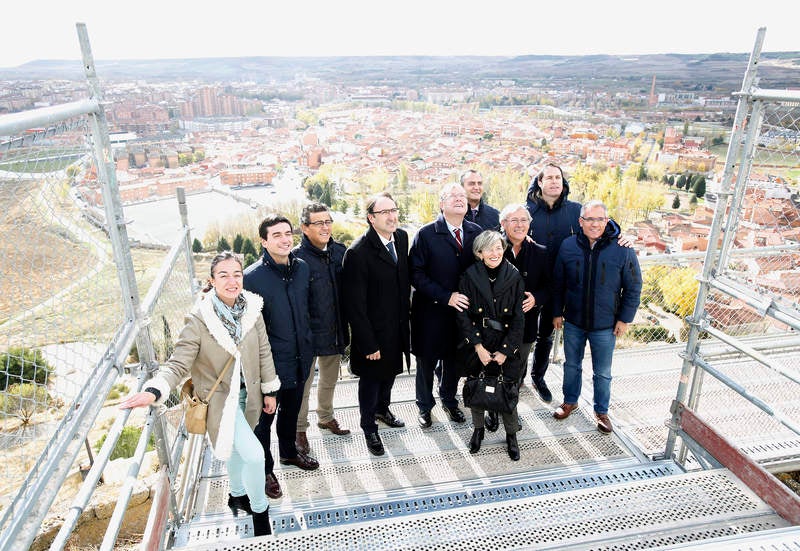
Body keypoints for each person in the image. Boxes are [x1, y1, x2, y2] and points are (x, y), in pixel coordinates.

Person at [120, 252, 279, 537]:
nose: (232, 281)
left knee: (236, 448)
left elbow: (264, 351)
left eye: (237, 274)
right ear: (211, 280)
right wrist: (155, 389)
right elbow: (178, 363)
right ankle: (260, 512)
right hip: (221, 401)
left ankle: (236, 493)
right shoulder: (198, 319)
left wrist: (270, 389)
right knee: (255, 456)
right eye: (224, 275)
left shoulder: (253, 308)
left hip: (251, 395)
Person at [244, 214, 318, 503]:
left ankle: (289, 453)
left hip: (301, 357)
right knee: (264, 423)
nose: (285, 239)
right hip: (270, 365)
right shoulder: (251, 278)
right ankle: (265, 471)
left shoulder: (301, 268)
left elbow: (308, 309)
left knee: (291, 412)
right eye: (276, 235)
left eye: (288, 233)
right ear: (264, 241)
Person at [551, 200, 642, 434]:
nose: (595, 224)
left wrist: (624, 319)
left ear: (607, 221)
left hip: (606, 325)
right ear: (581, 222)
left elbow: (633, 287)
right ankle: (570, 401)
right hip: (574, 321)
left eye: (600, 219)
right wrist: (556, 312)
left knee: (602, 372)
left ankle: (601, 411)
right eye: (589, 219)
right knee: (571, 365)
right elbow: (558, 283)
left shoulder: (623, 248)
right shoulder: (568, 246)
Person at [342, 192, 411, 456]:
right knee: (371, 380)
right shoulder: (358, 252)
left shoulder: (402, 238)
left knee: (391, 373)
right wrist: (367, 342)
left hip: (397, 326)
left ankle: (383, 410)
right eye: (385, 212)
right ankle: (369, 426)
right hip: (372, 331)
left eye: (394, 210)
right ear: (371, 218)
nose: (392, 216)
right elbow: (354, 305)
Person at [410, 182, 482, 428]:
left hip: (463, 312)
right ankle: (424, 406)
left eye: (462, 196)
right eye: (453, 196)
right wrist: (446, 296)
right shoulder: (426, 234)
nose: (460, 199)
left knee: (453, 360)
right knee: (427, 361)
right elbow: (416, 275)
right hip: (431, 310)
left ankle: (450, 401)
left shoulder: (475, 232)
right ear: (442, 204)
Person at [478, 203, 551, 433]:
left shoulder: (539, 251)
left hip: (525, 326)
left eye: (524, 220)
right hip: (495, 326)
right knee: (492, 368)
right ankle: (491, 408)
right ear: (502, 224)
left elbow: (550, 286)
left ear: (530, 224)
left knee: (516, 372)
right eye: (513, 220)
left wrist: (536, 299)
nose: (519, 225)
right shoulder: (492, 248)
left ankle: (509, 409)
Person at [455, 230, 525, 460]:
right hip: (479, 341)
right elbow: (462, 315)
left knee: (508, 389)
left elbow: (518, 318)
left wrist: (505, 352)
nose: (495, 253)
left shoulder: (514, 275)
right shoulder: (469, 276)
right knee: (477, 386)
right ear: (479, 253)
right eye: (489, 249)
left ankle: (512, 435)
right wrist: (478, 347)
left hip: (505, 342)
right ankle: (478, 430)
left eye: (498, 248)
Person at [293, 203, 350, 457]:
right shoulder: (295, 259)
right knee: (303, 386)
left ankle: (325, 417)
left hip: (335, 329)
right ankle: (299, 430)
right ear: (305, 228)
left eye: (328, 221)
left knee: (329, 379)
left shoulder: (340, 252)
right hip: (306, 335)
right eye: (318, 223)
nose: (325, 227)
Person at [523, 163, 581, 404]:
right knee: (523, 334)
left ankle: (538, 377)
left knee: (546, 335)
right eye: (549, 178)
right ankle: (516, 378)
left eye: (558, 177)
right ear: (540, 182)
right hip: (530, 284)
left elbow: (601, 225)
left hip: (559, 284)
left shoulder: (575, 210)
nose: (555, 182)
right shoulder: (527, 210)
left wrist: (620, 234)